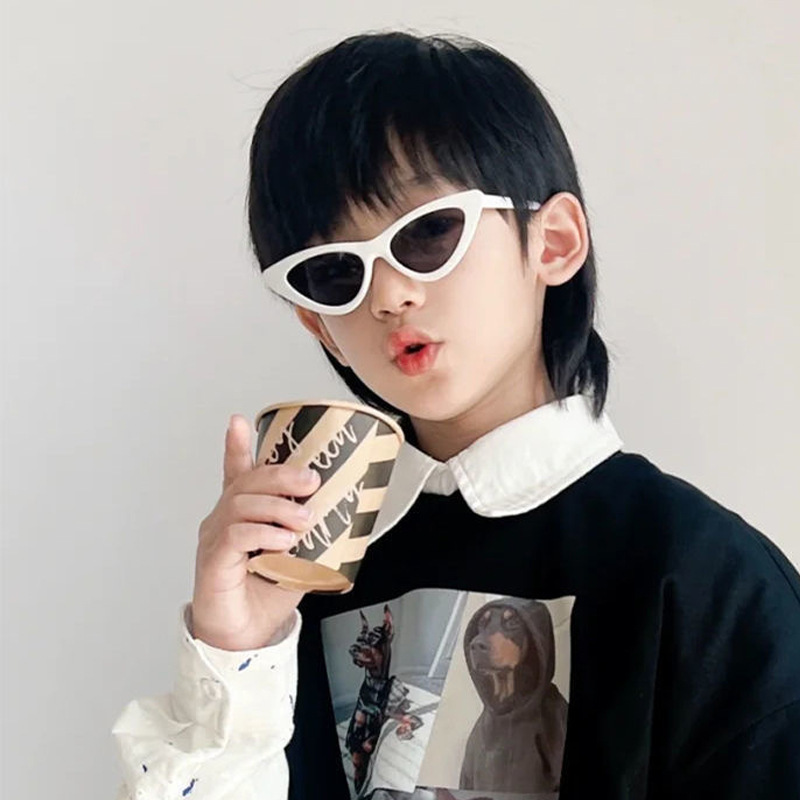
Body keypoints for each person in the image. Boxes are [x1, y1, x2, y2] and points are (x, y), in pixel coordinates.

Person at [111, 30, 800, 800]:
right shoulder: (297, 582)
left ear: (554, 242)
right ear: (316, 323)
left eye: (428, 232)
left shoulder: (704, 574)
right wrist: (236, 653)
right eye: (334, 271)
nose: (388, 295)